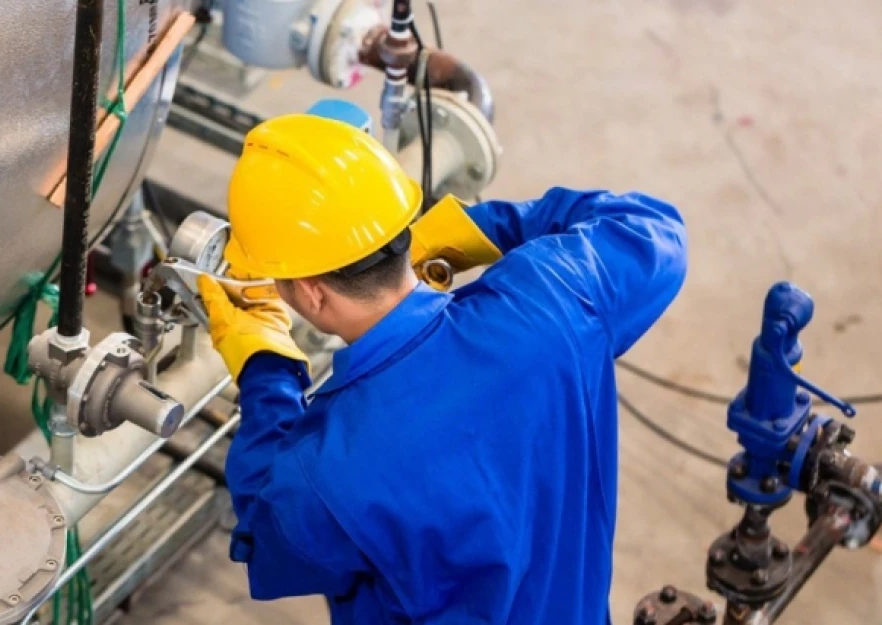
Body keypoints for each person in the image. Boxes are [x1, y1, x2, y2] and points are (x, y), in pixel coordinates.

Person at [196, 113, 687, 625]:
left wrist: (265, 365)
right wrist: (481, 230)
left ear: (313, 293)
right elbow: (651, 228)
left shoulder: (326, 470)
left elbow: (264, 524)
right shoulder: (555, 300)